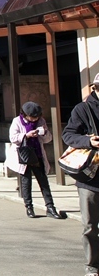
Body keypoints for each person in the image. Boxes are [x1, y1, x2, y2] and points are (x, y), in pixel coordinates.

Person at [63, 73, 99, 276]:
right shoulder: (83, 109)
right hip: (90, 178)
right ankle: (92, 265)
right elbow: (68, 134)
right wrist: (88, 141)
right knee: (90, 226)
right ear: (94, 89)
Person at [5, 101, 63, 219]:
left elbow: (48, 139)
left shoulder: (41, 121)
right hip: (24, 156)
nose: (34, 120)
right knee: (26, 182)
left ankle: (50, 207)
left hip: (37, 154)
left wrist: (44, 133)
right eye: (31, 117)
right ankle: (29, 207)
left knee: (43, 182)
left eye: (36, 117)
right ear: (25, 115)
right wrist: (26, 135)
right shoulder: (17, 121)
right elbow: (13, 138)